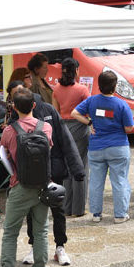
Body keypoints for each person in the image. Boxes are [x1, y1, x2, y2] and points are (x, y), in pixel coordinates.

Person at [0, 81, 84, 266]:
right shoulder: (14, 119)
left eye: (19, 93)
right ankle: (34, 249)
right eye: (14, 94)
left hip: (51, 171)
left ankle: (60, 247)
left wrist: (77, 169)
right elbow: (7, 147)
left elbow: (65, 139)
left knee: (57, 210)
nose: (16, 97)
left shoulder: (48, 113)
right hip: (28, 174)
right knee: (33, 214)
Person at [0, 88, 53, 267]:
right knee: (41, 231)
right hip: (43, 186)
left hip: (19, 185)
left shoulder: (10, 130)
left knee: (10, 233)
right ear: (34, 105)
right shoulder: (47, 128)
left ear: (14, 108)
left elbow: (5, 152)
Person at [71, 70, 134, 224]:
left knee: (95, 182)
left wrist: (90, 122)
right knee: (119, 180)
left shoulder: (92, 101)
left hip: (96, 147)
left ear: (99, 85)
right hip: (118, 147)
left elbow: (74, 113)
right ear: (115, 86)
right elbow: (129, 128)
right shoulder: (121, 104)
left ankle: (96, 214)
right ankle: (120, 215)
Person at [52, 57, 90, 217]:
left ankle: (67, 208)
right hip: (79, 127)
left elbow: (56, 112)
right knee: (80, 166)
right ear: (76, 70)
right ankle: (79, 208)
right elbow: (88, 109)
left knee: (67, 168)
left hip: (62, 128)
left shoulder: (56, 89)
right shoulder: (82, 89)